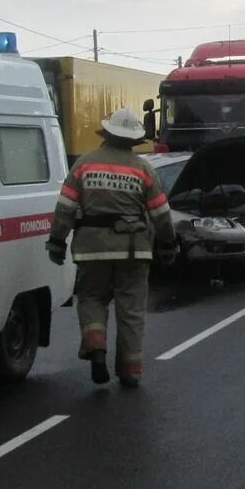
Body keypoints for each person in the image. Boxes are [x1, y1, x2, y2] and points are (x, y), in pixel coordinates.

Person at [47, 107, 177, 387]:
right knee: (131, 312)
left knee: (92, 298)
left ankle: (95, 344)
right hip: (134, 251)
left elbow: (65, 208)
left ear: (105, 134)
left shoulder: (83, 164)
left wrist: (56, 242)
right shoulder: (143, 169)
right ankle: (130, 371)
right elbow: (160, 214)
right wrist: (168, 244)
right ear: (134, 141)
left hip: (92, 248)